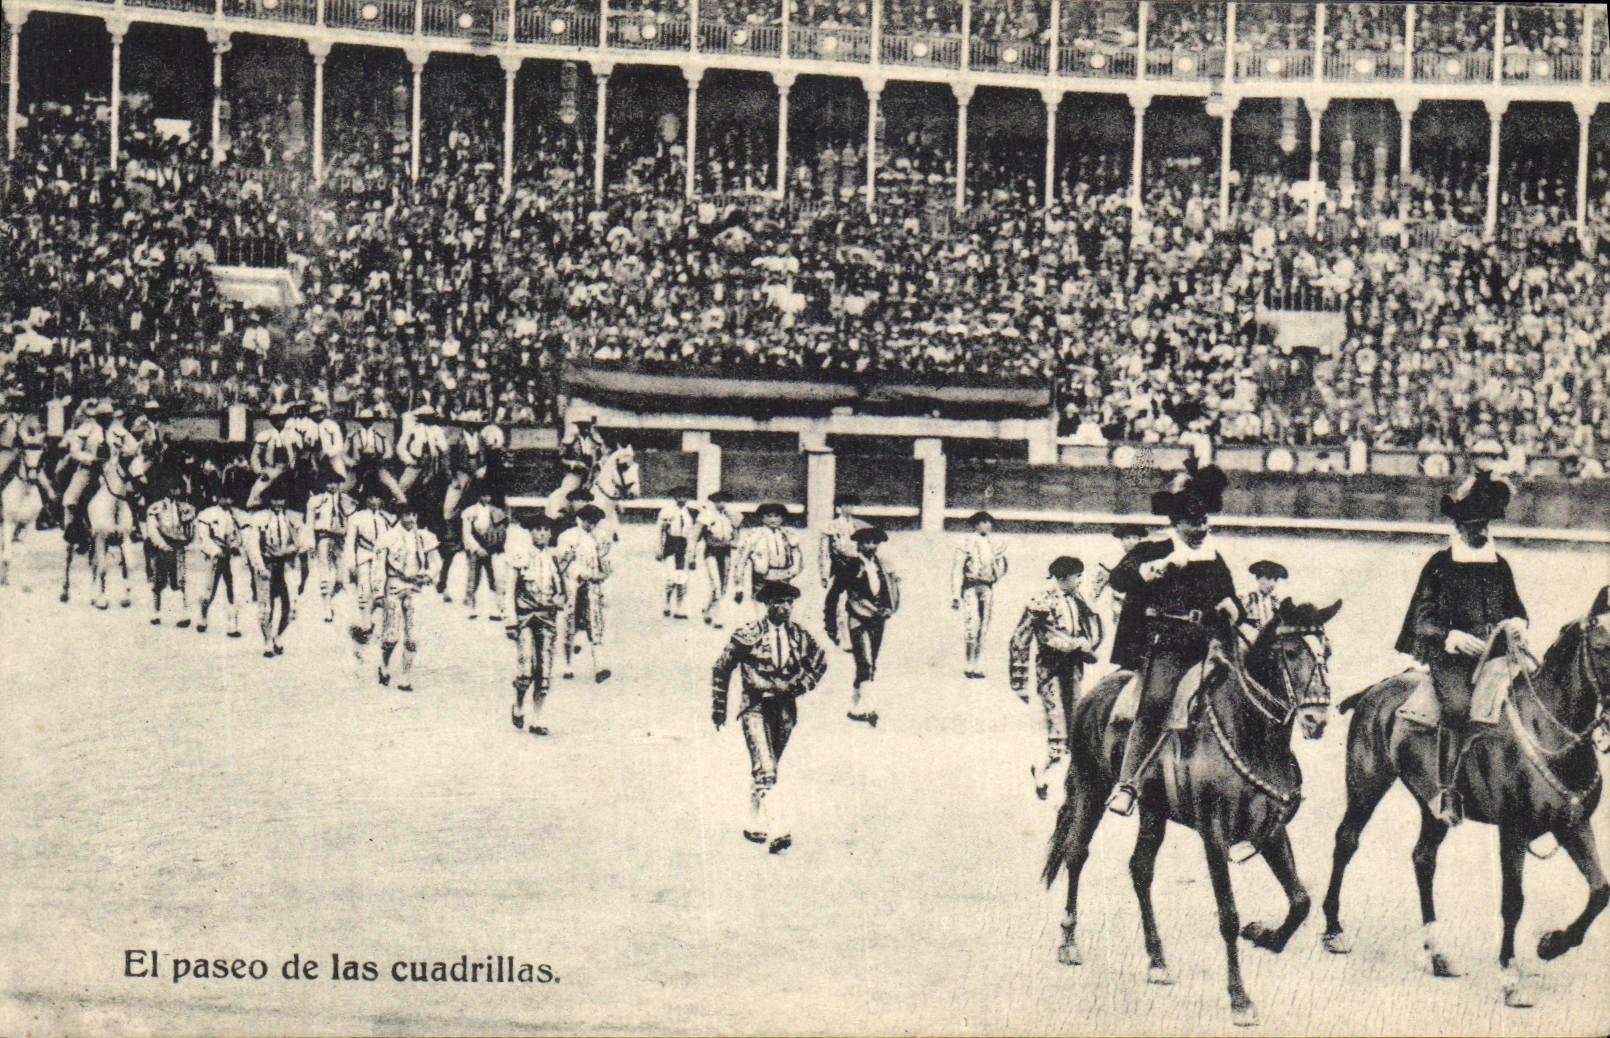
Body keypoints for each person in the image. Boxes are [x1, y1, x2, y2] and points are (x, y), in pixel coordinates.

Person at [1105, 463, 1240, 818]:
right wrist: (1153, 570)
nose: (1199, 528)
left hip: (1209, 641)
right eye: (1192, 523)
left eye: (1203, 521)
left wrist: (1231, 605)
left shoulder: (1212, 554)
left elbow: (1228, 593)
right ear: (1175, 522)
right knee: (1157, 702)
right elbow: (1119, 578)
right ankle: (1128, 783)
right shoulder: (1154, 549)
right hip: (1167, 644)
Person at [1395, 470, 1528, 826]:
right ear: (1459, 527)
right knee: (1456, 708)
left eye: (1484, 524)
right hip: (1451, 660)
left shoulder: (1499, 565)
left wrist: (1518, 624)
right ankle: (1447, 790)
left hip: (1497, 654)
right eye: (1472, 526)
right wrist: (1450, 636)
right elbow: (1422, 619)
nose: (1480, 531)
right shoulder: (1440, 564)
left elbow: (1517, 609)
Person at [711, 580, 828, 854]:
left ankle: (754, 821)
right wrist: (719, 708)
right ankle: (778, 829)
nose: (785, 608)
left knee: (769, 765)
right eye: (778, 602)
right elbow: (721, 667)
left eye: (789, 602)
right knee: (767, 768)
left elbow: (820, 661)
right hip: (755, 706)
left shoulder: (799, 635)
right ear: (767, 604)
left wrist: (802, 685)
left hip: (786, 710)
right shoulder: (748, 634)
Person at [1009, 556, 1102, 798]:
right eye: (1075, 576)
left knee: (1076, 720)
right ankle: (1043, 773)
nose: (1078, 580)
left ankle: (1062, 778)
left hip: (1073, 668)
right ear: (1062, 577)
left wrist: (1086, 643)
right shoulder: (1043, 600)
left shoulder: (1078, 597)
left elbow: (1091, 628)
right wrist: (1019, 681)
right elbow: (1021, 638)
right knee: (1057, 722)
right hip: (1050, 668)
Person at [506, 512, 567, 736]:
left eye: (545, 530)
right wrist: (510, 621)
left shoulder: (554, 559)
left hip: (548, 619)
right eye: (537, 530)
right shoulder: (520, 557)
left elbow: (562, 591)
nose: (541, 534)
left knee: (545, 671)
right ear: (530, 533)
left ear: (550, 534)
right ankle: (519, 705)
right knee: (525, 671)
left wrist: (559, 602)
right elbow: (509, 590)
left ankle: (537, 719)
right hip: (524, 619)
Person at [376, 501, 440, 691]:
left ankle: (405, 677)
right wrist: (379, 592)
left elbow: (436, 562)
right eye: (406, 515)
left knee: (412, 636)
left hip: (415, 587)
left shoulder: (424, 537)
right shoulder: (389, 537)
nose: (410, 519)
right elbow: (379, 566)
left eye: (413, 515)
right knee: (391, 636)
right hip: (394, 585)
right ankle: (384, 665)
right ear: (400, 516)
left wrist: (429, 575)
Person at [842, 526, 900, 727]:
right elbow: (853, 595)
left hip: (878, 618)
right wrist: (872, 609)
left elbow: (892, 589)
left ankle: (855, 705)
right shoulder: (852, 564)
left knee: (870, 662)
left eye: (874, 542)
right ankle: (869, 708)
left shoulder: (882, 565)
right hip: (859, 618)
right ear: (859, 544)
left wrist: (888, 609)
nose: (871, 546)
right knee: (865, 661)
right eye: (867, 542)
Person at [245, 478, 302, 658]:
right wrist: (260, 567)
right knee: (266, 606)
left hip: (285, 565)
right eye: (275, 500)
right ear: (269, 500)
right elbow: (252, 546)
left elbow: (302, 542)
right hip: (267, 565)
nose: (278, 503)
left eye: (281, 500)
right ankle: (267, 640)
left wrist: (288, 549)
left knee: (289, 606)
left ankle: (278, 636)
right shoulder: (259, 518)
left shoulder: (291, 518)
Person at [557, 503, 612, 683]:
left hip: (592, 587)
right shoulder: (568, 537)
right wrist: (586, 574)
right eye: (588, 521)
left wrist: (604, 571)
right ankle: (567, 665)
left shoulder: (600, 538)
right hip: (573, 586)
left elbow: (605, 563)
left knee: (595, 625)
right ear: (579, 519)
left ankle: (599, 666)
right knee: (570, 624)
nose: (591, 525)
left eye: (594, 522)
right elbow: (564, 565)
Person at [951, 510, 1009, 679]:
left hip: (987, 587)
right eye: (982, 522)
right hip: (970, 587)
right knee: (972, 624)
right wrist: (955, 594)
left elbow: (1002, 567)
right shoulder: (966, 542)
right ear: (975, 525)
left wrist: (996, 574)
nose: (986, 525)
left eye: (989, 522)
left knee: (983, 626)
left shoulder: (994, 544)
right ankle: (969, 663)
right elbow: (957, 569)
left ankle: (977, 662)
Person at [343, 479, 395, 646]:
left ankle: (381, 626)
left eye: (377, 498)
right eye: (371, 498)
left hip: (382, 557)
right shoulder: (357, 518)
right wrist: (351, 563)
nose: (374, 502)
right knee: (364, 590)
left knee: (381, 591)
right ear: (365, 499)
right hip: (364, 556)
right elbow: (350, 542)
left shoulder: (387, 518)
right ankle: (366, 624)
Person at [192, 476, 244, 636]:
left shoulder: (235, 515)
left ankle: (232, 624)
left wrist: (236, 545)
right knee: (209, 590)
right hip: (215, 555)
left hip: (230, 556)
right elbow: (203, 537)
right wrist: (215, 551)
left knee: (232, 589)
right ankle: (202, 616)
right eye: (224, 497)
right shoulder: (207, 514)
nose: (227, 501)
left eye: (229, 498)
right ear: (217, 497)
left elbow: (239, 534)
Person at [142, 476, 195, 627]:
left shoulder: (185, 508)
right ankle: (155, 612)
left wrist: (186, 541)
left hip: (177, 547)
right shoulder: (156, 508)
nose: (176, 491)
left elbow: (190, 529)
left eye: (178, 488)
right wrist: (162, 545)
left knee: (179, 580)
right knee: (158, 580)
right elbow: (152, 530)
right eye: (173, 488)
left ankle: (183, 614)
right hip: (161, 547)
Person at [304, 469, 355, 623]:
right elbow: (310, 522)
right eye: (329, 482)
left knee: (341, 569)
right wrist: (310, 543)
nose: (332, 486)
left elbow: (350, 519)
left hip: (340, 537)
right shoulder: (317, 501)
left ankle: (338, 596)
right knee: (324, 568)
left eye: (335, 483)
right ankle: (326, 604)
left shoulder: (344, 500)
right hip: (324, 536)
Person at [737, 502, 802, 619]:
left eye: (777, 516)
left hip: (783, 574)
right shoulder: (755, 534)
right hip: (762, 575)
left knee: (780, 605)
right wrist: (739, 584)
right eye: (768, 516)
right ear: (761, 517)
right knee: (761, 604)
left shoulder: (788, 534)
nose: (773, 519)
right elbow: (742, 557)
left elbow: (796, 553)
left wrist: (795, 569)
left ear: (782, 518)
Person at [819, 494, 868, 646]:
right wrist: (824, 573)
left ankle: (854, 634)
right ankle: (836, 632)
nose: (849, 509)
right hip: (840, 566)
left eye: (851, 506)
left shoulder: (857, 525)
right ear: (838, 508)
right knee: (837, 600)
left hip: (856, 565)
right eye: (845, 506)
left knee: (856, 598)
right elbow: (824, 552)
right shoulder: (832, 526)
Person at [693, 490, 743, 628]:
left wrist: (735, 542)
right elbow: (695, 535)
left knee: (723, 586)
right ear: (713, 502)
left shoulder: (730, 516)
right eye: (718, 501)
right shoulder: (706, 516)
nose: (721, 503)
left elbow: (737, 531)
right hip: (711, 552)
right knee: (716, 585)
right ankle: (717, 617)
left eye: (724, 501)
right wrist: (691, 555)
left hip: (726, 552)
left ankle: (707, 610)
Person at [460, 487, 509, 621]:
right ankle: (470, 607)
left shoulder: (495, 511)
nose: (486, 498)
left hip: (490, 548)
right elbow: (467, 533)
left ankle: (497, 608)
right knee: (473, 577)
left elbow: (500, 530)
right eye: (483, 495)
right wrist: (477, 548)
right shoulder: (470, 512)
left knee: (494, 577)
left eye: (488, 496)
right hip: (475, 548)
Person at [656, 485, 699, 619]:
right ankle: (667, 602)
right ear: (675, 498)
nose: (682, 499)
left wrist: (693, 555)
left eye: (684, 496)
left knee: (682, 578)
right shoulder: (667, 511)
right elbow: (661, 531)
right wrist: (659, 549)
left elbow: (693, 535)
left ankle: (680, 607)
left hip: (684, 545)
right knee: (670, 577)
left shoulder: (691, 513)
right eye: (679, 496)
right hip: (671, 544)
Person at [246, 403, 298, 510]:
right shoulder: (266, 435)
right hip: (270, 470)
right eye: (276, 419)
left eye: (282, 419)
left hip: (288, 470)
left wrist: (295, 469)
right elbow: (254, 456)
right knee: (257, 490)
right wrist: (260, 471)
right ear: (272, 421)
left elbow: (298, 455)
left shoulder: (293, 435)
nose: (279, 422)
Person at [1242, 560, 1289, 635]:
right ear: (1258, 578)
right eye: (1269, 578)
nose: (1273, 583)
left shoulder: (1274, 602)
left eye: (1275, 579)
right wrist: (1260, 631)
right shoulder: (1249, 599)